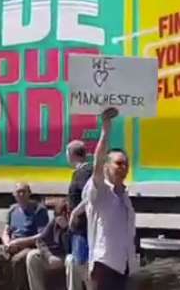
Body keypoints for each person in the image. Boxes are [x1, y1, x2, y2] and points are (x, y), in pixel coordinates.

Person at [85, 108, 136, 290]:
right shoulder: (101, 191)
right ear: (107, 166)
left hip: (125, 265)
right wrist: (105, 130)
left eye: (126, 164)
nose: (123, 167)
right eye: (118, 163)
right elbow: (97, 162)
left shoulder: (125, 195)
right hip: (104, 264)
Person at [0, 182, 49, 290]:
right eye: (18, 192)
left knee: (17, 260)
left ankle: (16, 287)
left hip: (29, 247)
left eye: (24, 192)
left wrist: (19, 243)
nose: (21, 194)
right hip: (11, 245)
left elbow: (41, 236)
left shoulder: (39, 210)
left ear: (29, 193)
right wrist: (7, 244)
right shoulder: (12, 210)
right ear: (14, 195)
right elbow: (6, 231)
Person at [26, 199, 71, 290]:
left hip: (67, 256)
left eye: (65, 215)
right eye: (59, 216)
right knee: (32, 256)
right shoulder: (54, 223)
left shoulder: (74, 225)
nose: (61, 220)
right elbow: (41, 240)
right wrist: (49, 256)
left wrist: (66, 229)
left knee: (71, 260)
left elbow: (71, 247)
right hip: (53, 255)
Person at [65, 140, 92, 290]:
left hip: (82, 228)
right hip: (79, 228)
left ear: (71, 154)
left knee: (82, 265)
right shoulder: (83, 171)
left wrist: (75, 212)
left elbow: (90, 196)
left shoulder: (84, 172)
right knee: (78, 264)